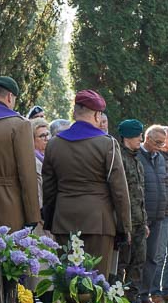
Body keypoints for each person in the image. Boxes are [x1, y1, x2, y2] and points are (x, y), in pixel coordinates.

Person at [42, 91, 131, 275]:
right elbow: (119, 191)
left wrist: (50, 220)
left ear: (75, 112)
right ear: (98, 115)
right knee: (96, 279)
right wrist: (124, 228)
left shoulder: (54, 144)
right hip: (98, 221)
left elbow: (49, 188)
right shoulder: (107, 144)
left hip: (64, 219)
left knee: (67, 280)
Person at [0, 75, 41, 231]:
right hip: (10, 206)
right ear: (10, 96)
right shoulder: (18, 124)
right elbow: (27, 174)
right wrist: (32, 216)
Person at [140, 126, 168, 303]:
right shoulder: (156, 158)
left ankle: (167, 289)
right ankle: (154, 291)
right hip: (163, 212)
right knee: (157, 255)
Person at [114, 119, 148, 301]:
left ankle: (132, 299)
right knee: (121, 263)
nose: (141, 140)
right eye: (138, 136)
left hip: (139, 221)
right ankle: (117, 300)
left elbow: (140, 195)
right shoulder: (119, 159)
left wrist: (145, 221)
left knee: (138, 262)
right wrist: (123, 225)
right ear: (127, 137)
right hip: (126, 222)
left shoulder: (136, 160)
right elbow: (119, 195)